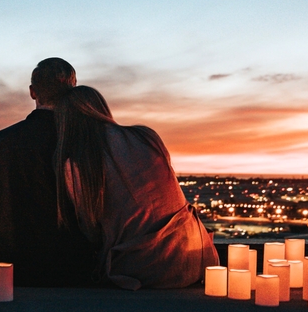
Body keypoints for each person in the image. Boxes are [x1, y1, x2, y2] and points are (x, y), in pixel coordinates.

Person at [54, 85, 219, 290]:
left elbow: (91, 231)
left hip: (142, 270)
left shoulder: (78, 164)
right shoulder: (146, 136)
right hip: (197, 257)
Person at [0, 58, 96, 286]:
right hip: (70, 269)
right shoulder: (83, 141)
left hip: (10, 267)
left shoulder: (0, 141)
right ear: (73, 91)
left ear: (33, 92)